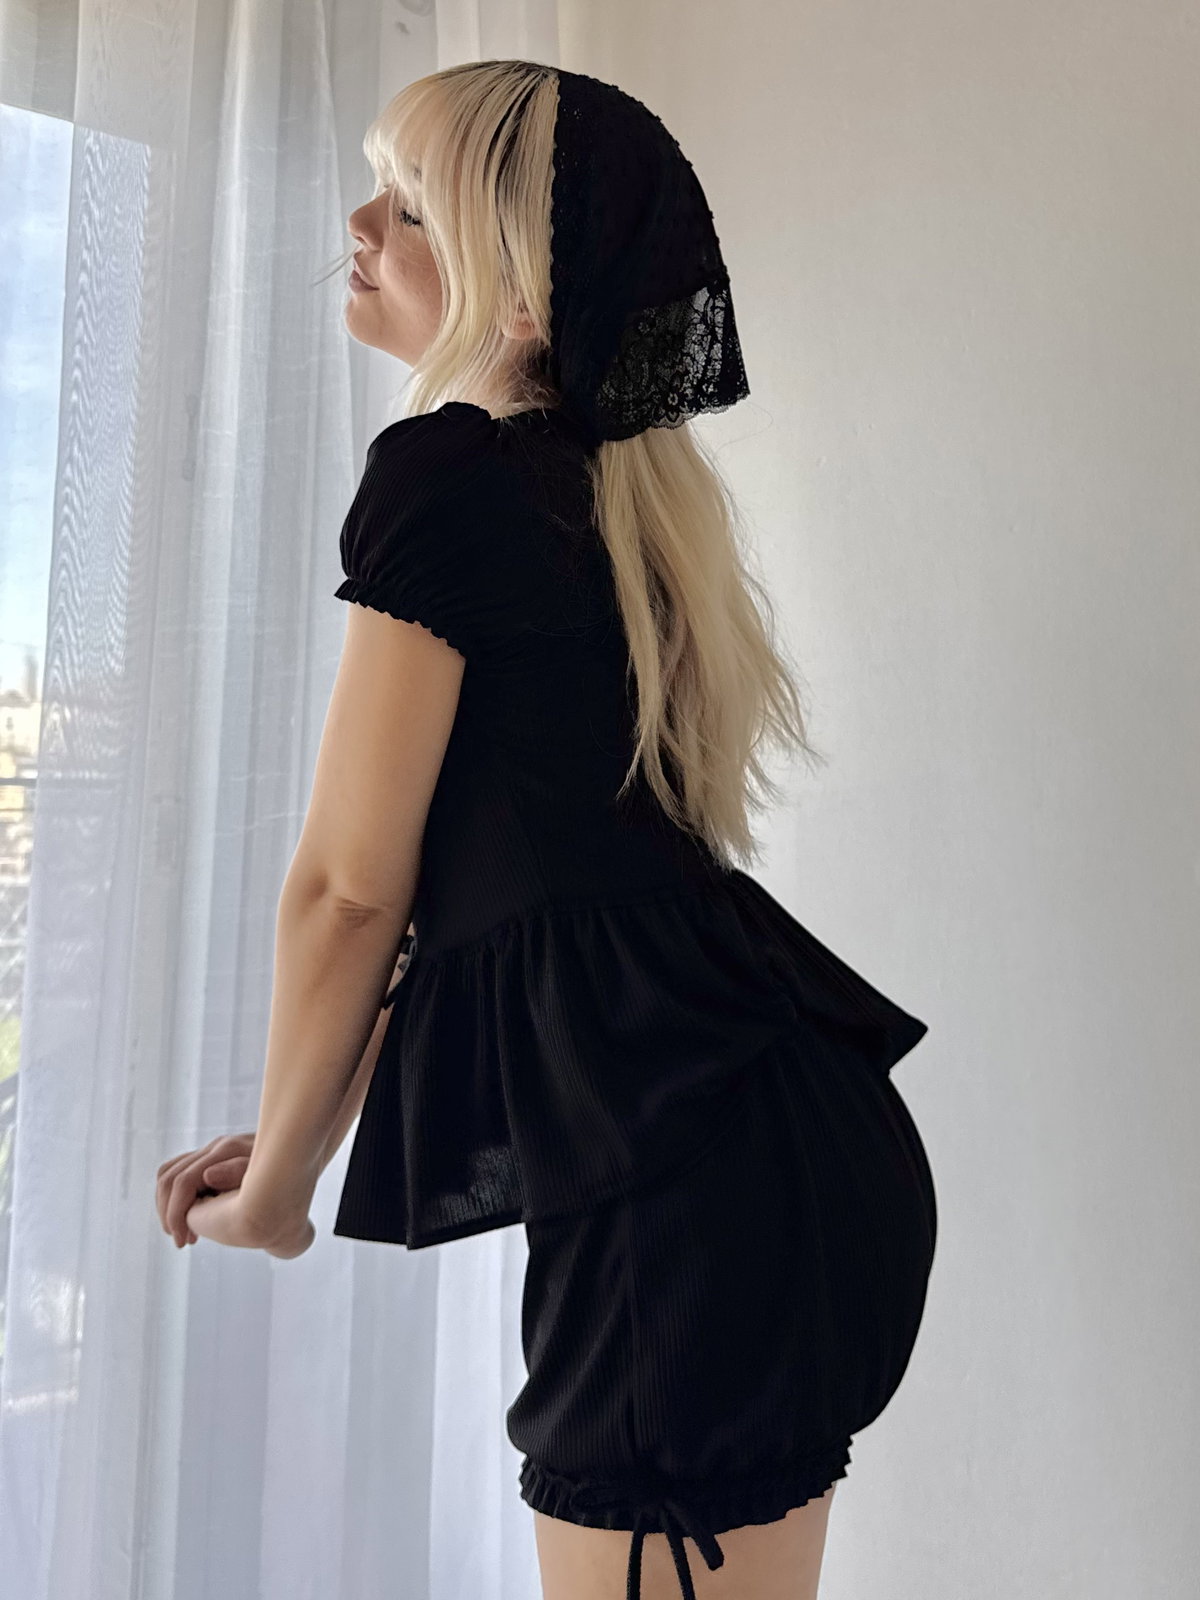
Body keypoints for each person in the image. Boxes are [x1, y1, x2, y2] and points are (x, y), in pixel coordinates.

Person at [156, 60, 938, 1600]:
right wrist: (297, 1133)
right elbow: (482, 915)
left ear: (518, 297)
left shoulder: (444, 476)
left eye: (409, 205)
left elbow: (348, 891)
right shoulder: (597, 506)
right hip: (775, 1152)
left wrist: (280, 1198)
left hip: (680, 1219)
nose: (359, 225)